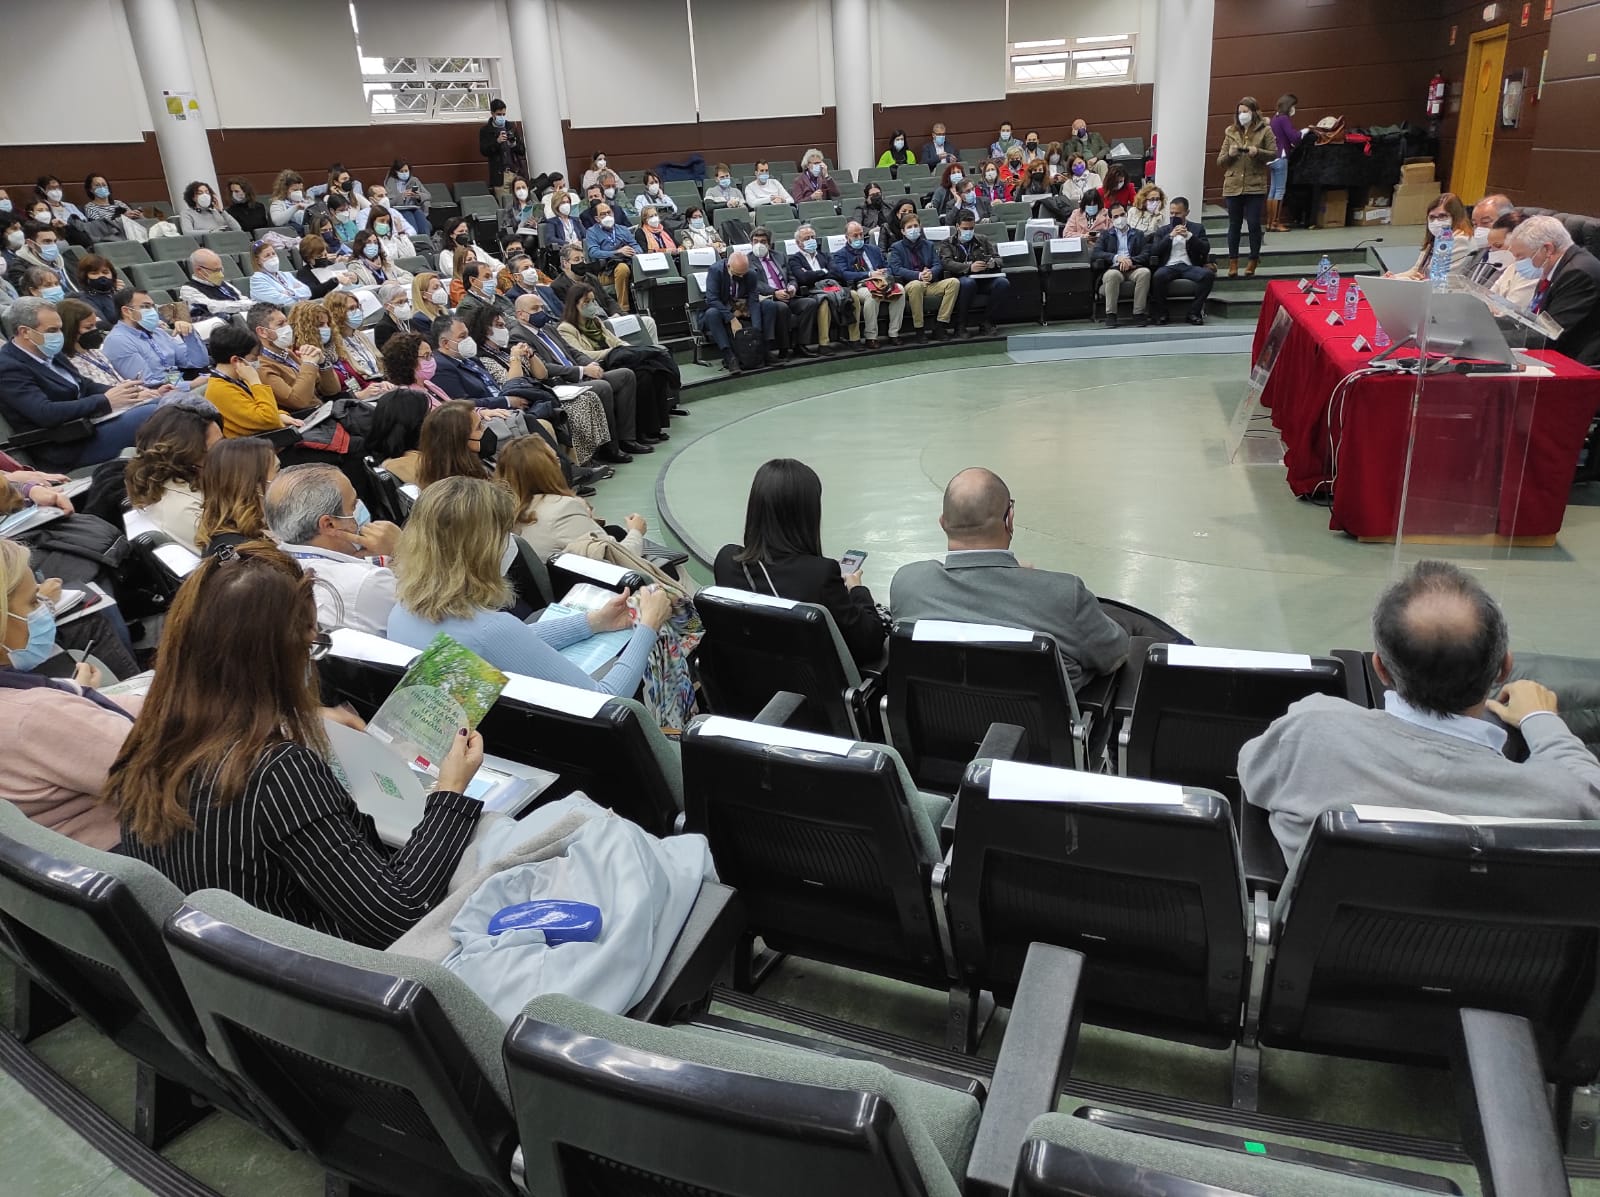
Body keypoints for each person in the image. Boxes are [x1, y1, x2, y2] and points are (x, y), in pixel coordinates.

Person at [111, 540, 484, 946]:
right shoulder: (277, 771)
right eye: (310, 645)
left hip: (229, 967)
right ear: (276, 658)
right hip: (315, 971)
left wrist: (297, 716)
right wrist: (451, 792)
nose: (310, 659)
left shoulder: (151, 735)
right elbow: (400, 914)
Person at [1239, 560, 1600, 862]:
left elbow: (1250, 769)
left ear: (1380, 669)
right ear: (1504, 669)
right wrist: (1542, 720)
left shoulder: (1309, 733)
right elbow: (1589, 788)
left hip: (1328, 945)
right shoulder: (1559, 802)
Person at [389, 476, 670, 693]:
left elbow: (515, 643)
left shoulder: (401, 611)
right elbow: (605, 697)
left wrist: (594, 622)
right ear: (483, 548)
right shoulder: (490, 630)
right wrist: (649, 626)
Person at [890, 467, 1131, 690]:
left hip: (938, 731)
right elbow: (1115, 654)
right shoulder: (1065, 596)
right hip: (1033, 735)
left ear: (943, 523)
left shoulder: (908, 584)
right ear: (1009, 520)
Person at [0, 539, 136, 851]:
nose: (44, 611)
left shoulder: (30, 704)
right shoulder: (36, 716)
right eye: (34, 603)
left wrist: (78, 694)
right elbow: (170, 778)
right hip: (140, 847)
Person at [713, 458, 885, 669]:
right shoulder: (820, 575)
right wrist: (857, 589)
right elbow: (870, 643)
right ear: (806, 515)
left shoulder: (726, 560)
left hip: (747, 687)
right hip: (807, 696)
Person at [0, 298, 156, 470]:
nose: (59, 335)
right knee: (152, 414)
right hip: (65, 446)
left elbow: (85, 385)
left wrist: (129, 394)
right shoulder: (8, 367)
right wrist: (105, 400)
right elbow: (44, 412)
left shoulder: (48, 351)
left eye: (59, 329)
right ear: (25, 332)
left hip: (90, 426)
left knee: (160, 402)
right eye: (52, 330)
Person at [266, 464, 400, 635]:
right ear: (329, 525)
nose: (360, 506)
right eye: (353, 505)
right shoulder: (367, 583)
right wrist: (403, 550)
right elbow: (432, 613)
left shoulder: (274, 563)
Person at [557, 283, 677, 439]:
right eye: (587, 302)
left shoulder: (595, 321)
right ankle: (641, 430)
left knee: (654, 371)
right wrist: (613, 352)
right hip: (598, 365)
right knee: (642, 376)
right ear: (575, 304)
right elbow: (580, 354)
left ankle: (655, 427)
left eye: (593, 301)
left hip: (615, 359)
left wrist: (628, 349)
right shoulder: (566, 328)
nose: (592, 305)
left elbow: (614, 340)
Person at [497, 434, 638, 560]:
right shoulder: (563, 508)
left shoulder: (502, 511)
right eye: (556, 460)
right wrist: (636, 531)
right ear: (547, 470)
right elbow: (620, 559)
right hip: (588, 584)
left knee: (614, 531)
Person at [1508, 214, 1600, 366]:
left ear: (1547, 249)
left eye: (1521, 257)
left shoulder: (1578, 273)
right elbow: (1533, 321)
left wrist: (1491, 338)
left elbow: (1549, 335)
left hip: (1578, 366)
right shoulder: (1559, 268)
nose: (1517, 264)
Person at [125, 404, 222, 548]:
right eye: (218, 448)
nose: (225, 453)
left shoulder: (160, 485)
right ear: (188, 456)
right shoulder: (190, 510)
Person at [58, 297, 178, 405]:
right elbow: (97, 394)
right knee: (173, 407)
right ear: (71, 330)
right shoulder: (69, 362)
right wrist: (139, 395)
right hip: (113, 409)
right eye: (88, 327)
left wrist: (154, 392)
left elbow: (119, 382)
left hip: (133, 400)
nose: (95, 330)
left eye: (95, 325)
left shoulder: (95, 353)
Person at [201, 322, 301, 439]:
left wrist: (281, 415)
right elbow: (268, 420)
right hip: (254, 450)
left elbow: (264, 411)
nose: (257, 361)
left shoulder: (237, 379)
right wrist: (255, 383)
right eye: (254, 358)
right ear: (236, 360)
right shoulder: (220, 390)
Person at [1217, 96, 1277, 278]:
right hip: (1233, 185)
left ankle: (1253, 260)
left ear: (1254, 112)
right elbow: (1220, 161)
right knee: (1234, 225)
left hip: (1255, 186)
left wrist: (1258, 152)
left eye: (1246, 111)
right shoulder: (1230, 131)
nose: (1242, 115)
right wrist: (1230, 154)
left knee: (1253, 224)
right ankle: (1233, 262)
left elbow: (1274, 154)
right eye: (1240, 112)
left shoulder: (1265, 131)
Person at [103, 286, 209, 387]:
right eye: (145, 307)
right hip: (155, 397)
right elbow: (147, 383)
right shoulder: (118, 341)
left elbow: (198, 362)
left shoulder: (158, 332)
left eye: (152, 306)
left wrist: (189, 334)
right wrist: (191, 385)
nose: (152, 311)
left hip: (178, 384)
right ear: (127, 311)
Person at [250, 301, 339, 413]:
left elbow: (332, 390)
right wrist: (309, 364)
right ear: (262, 332)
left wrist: (323, 363)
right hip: (304, 422)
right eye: (280, 324)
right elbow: (298, 401)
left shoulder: (289, 353)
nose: (287, 328)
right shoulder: (261, 367)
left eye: (287, 323)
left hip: (324, 411)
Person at [194, 437, 276, 556]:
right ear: (252, 485)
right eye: (277, 470)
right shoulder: (245, 555)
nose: (283, 477)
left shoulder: (238, 535)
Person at [887, 212, 960, 341]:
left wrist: (931, 273)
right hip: (910, 285)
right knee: (916, 285)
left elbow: (937, 264)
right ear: (903, 231)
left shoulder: (928, 245)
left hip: (929, 283)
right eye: (909, 227)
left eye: (916, 226)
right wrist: (919, 275)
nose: (913, 229)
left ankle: (940, 325)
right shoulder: (896, 247)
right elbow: (896, 269)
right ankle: (919, 329)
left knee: (953, 282)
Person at [750, 225, 820, 359]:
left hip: (789, 295)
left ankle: (801, 344)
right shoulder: (748, 260)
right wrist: (775, 292)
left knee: (810, 303)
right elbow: (755, 284)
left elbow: (791, 276)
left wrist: (792, 287)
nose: (759, 244)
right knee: (781, 308)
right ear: (751, 243)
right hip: (769, 298)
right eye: (755, 241)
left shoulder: (780, 256)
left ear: (769, 244)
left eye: (763, 241)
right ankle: (784, 348)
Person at [938, 211, 1010, 337]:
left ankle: (986, 321)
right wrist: (969, 267)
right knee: (968, 283)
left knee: (1003, 283)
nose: (969, 231)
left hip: (983, 279)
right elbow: (947, 263)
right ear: (957, 226)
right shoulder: (947, 243)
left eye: (971, 228)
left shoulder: (982, 239)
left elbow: (998, 258)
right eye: (965, 228)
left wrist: (992, 263)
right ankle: (960, 325)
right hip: (961, 280)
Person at [1148, 197, 1214, 327]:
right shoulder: (1163, 231)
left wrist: (1189, 236)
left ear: (1186, 212)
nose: (1174, 216)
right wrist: (1170, 236)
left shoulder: (1197, 228)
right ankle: (1162, 313)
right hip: (1169, 266)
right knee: (1157, 276)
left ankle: (1194, 313)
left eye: (1177, 213)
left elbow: (1205, 248)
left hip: (1189, 266)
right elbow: (1154, 251)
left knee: (1208, 275)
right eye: (1171, 213)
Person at [701, 250, 765, 373]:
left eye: (743, 274)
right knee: (712, 313)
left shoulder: (750, 274)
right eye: (737, 274)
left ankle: (762, 350)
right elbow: (712, 299)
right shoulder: (716, 271)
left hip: (742, 308)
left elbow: (754, 300)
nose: (741, 277)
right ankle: (729, 356)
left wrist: (757, 330)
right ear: (728, 266)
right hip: (721, 310)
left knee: (768, 306)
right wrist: (731, 317)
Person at [1387, 193, 1474, 282]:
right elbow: (1416, 270)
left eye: (1442, 216)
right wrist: (1393, 278)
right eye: (1432, 217)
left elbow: (1441, 281)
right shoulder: (1435, 239)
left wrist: (1407, 280)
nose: (1436, 221)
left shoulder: (1460, 240)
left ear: (1456, 217)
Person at [1092, 204, 1151, 328]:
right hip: (1113, 268)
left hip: (1133, 268)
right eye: (1116, 216)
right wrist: (1116, 258)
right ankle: (1111, 315)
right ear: (1111, 219)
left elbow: (1146, 253)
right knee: (1112, 275)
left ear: (1127, 214)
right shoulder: (1106, 235)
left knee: (1145, 272)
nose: (1120, 218)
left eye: (1122, 215)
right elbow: (1096, 253)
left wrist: (1130, 260)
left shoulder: (1138, 234)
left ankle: (1138, 313)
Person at [582, 202, 637, 314]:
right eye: (603, 214)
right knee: (622, 268)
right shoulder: (592, 232)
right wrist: (617, 252)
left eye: (609, 212)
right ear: (597, 218)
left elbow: (636, 246)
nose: (607, 216)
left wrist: (633, 251)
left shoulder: (623, 229)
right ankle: (623, 309)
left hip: (628, 262)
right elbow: (593, 252)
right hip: (605, 271)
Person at [179, 248, 254, 324]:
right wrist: (247, 305)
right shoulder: (188, 289)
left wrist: (250, 304)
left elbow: (242, 298)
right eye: (216, 270)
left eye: (221, 269)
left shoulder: (224, 284)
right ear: (199, 270)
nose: (221, 274)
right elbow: (213, 307)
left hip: (242, 320)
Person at [8, 219, 76, 298]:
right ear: (31, 244)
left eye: (54, 241)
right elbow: (30, 297)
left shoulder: (64, 259)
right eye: (47, 241)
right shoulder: (18, 268)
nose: (53, 245)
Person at [1267, 94, 1304, 231]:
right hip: (1281, 156)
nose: (1294, 109)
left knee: (1272, 189)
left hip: (1272, 158)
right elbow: (1294, 137)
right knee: (1280, 190)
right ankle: (1276, 222)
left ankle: (1270, 222)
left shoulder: (1275, 118)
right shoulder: (1284, 119)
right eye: (1294, 106)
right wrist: (1305, 131)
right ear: (1289, 106)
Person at [1462, 194, 1515, 286]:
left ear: (1507, 221)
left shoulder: (1511, 257)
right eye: (1475, 224)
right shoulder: (1478, 251)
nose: (1479, 229)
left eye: (1485, 222)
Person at [294, 234, 359, 301]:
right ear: (308, 258)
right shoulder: (303, 273)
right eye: (319, 256)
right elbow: (311, 292)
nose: (323, 258)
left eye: (325, 255)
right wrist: (335, 281)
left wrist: (354, 279)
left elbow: (349, 282)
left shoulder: (330, 264)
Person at [247, 239, 311, 307]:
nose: (272, 257)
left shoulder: (286, 274)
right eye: (267, 255)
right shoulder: (257, 279)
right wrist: (299, 298)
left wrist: (290, 293)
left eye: (273, 253)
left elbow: (307, 291)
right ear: (258, 261)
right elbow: (278, 301)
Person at [480, 98, 527, 188]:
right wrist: (497, 142)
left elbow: (522, 150)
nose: (501, 117)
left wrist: (513, 144)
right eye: (499, 114)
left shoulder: (511, 127)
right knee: (504, 200)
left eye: (503, 114)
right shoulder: (485, 130)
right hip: (500, 174)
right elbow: (484, 151)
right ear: (492, 113)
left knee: (520, 199)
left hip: (515, 172)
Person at [381, 160, 432, 236]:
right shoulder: (390, 182)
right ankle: (414, 242)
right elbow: (388, 201)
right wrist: (402, 196)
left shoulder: (414, 180)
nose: (404, 173)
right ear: (396, 172)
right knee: (409, 216)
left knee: (421, 217)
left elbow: (428, 195)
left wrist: (418, 196)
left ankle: (426, 241)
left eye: (406, 170)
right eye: (401, 171)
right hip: (399, 210)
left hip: (414, 208)